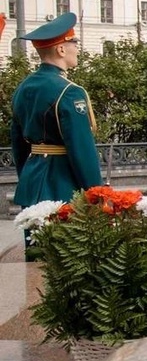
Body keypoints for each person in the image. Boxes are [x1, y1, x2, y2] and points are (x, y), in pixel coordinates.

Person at [11, 12, 102, 214]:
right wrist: (96, 192)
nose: (77, 50)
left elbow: (18, 143)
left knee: (34, 243)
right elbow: (81, 148)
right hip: (62, 185)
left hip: (31, 181)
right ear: (61, 49)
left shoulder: (23, 88)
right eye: (75, 44)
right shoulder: (70, 92)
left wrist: (26, 176)